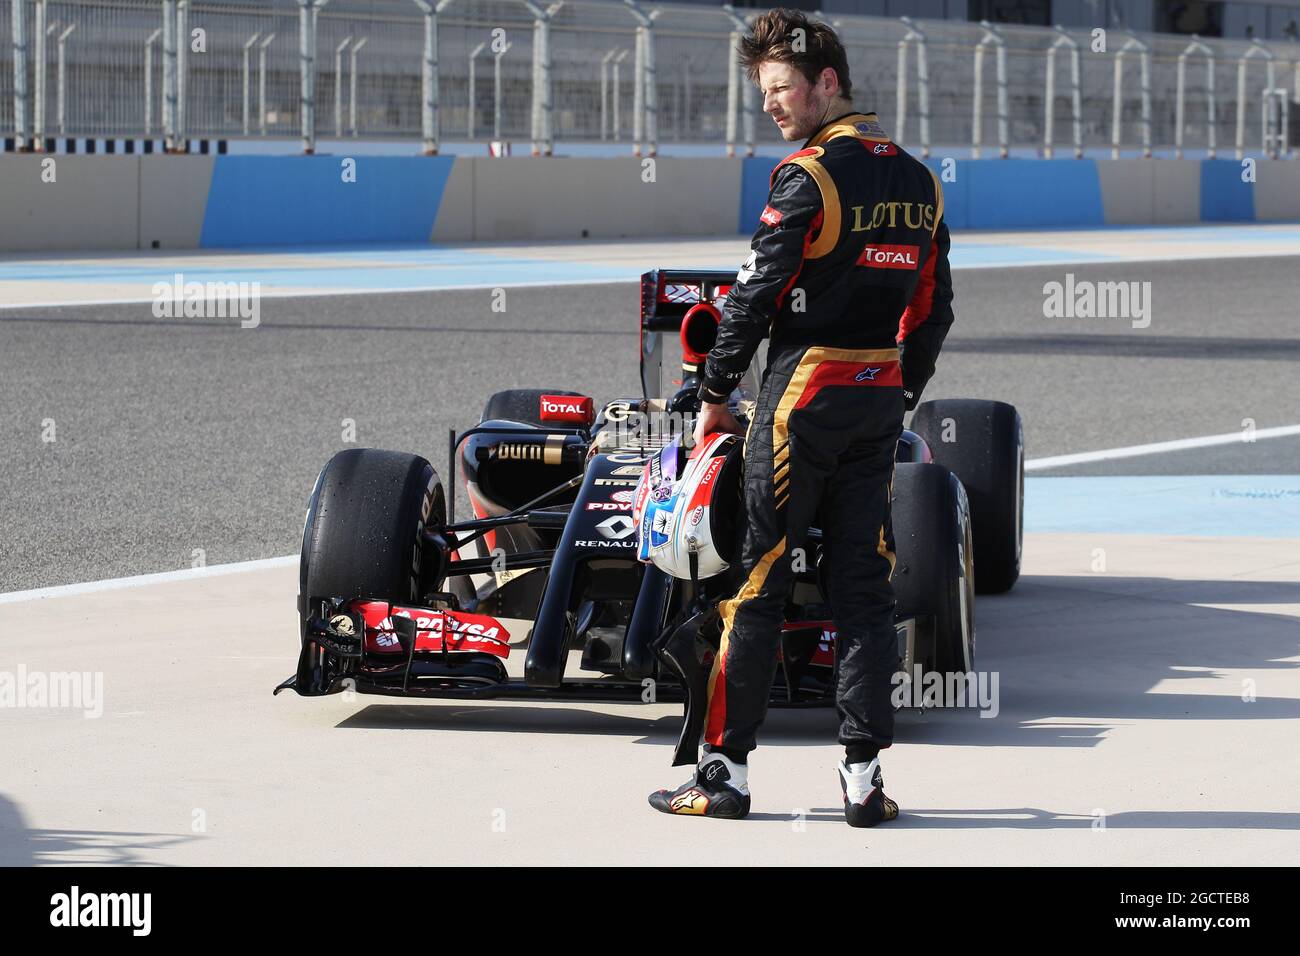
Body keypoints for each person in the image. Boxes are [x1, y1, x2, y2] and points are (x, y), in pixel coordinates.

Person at [647, 8, 954, 826]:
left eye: (781, 90)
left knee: (756, 583)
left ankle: (727, 779)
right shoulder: (921, 181)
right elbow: (934, 310)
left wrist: (714, 391)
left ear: (827, 82)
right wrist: (900, 389)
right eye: (764, 93)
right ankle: (863, 787)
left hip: (798, 403)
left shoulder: (807, 177)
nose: (772, 107)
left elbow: (750, 299)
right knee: (862, 587)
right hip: (877, 398)